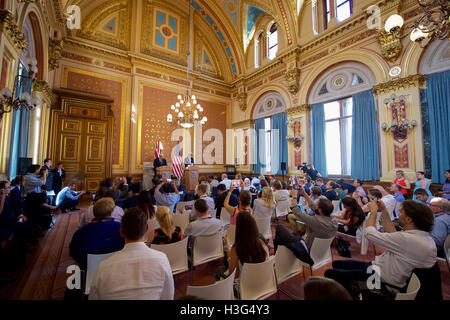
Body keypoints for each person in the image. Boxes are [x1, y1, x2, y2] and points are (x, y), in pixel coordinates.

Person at [325, 200, 436, 299]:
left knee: (329, 273)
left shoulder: (408, 239)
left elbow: (369, 233)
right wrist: (383, 210)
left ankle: (354, 293)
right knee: (337, 263)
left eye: (401, 212)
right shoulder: (424, 239)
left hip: (381, 279)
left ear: (408, 219)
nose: (399, 214)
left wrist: (373, 212)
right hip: (378, 268)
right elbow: (391, 232)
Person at [89, 207, 174, 300]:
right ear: (146, 229)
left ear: (121, 233)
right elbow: (168, 296)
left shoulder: (103, 267)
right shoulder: (162, 259)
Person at [69, 198, 124, 271]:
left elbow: (73, 252)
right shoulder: (121, 228)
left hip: (89, 271)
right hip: (116, 269)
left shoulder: (81, 232)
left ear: (94, 213)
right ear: (111, 213)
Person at [225, 211, 268, 296]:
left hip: (244, 289)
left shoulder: (237, 248)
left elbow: (233, 275)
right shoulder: (262, 241)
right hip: (264, 284)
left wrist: (230, 257)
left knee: (220, 271)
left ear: (239, 228)